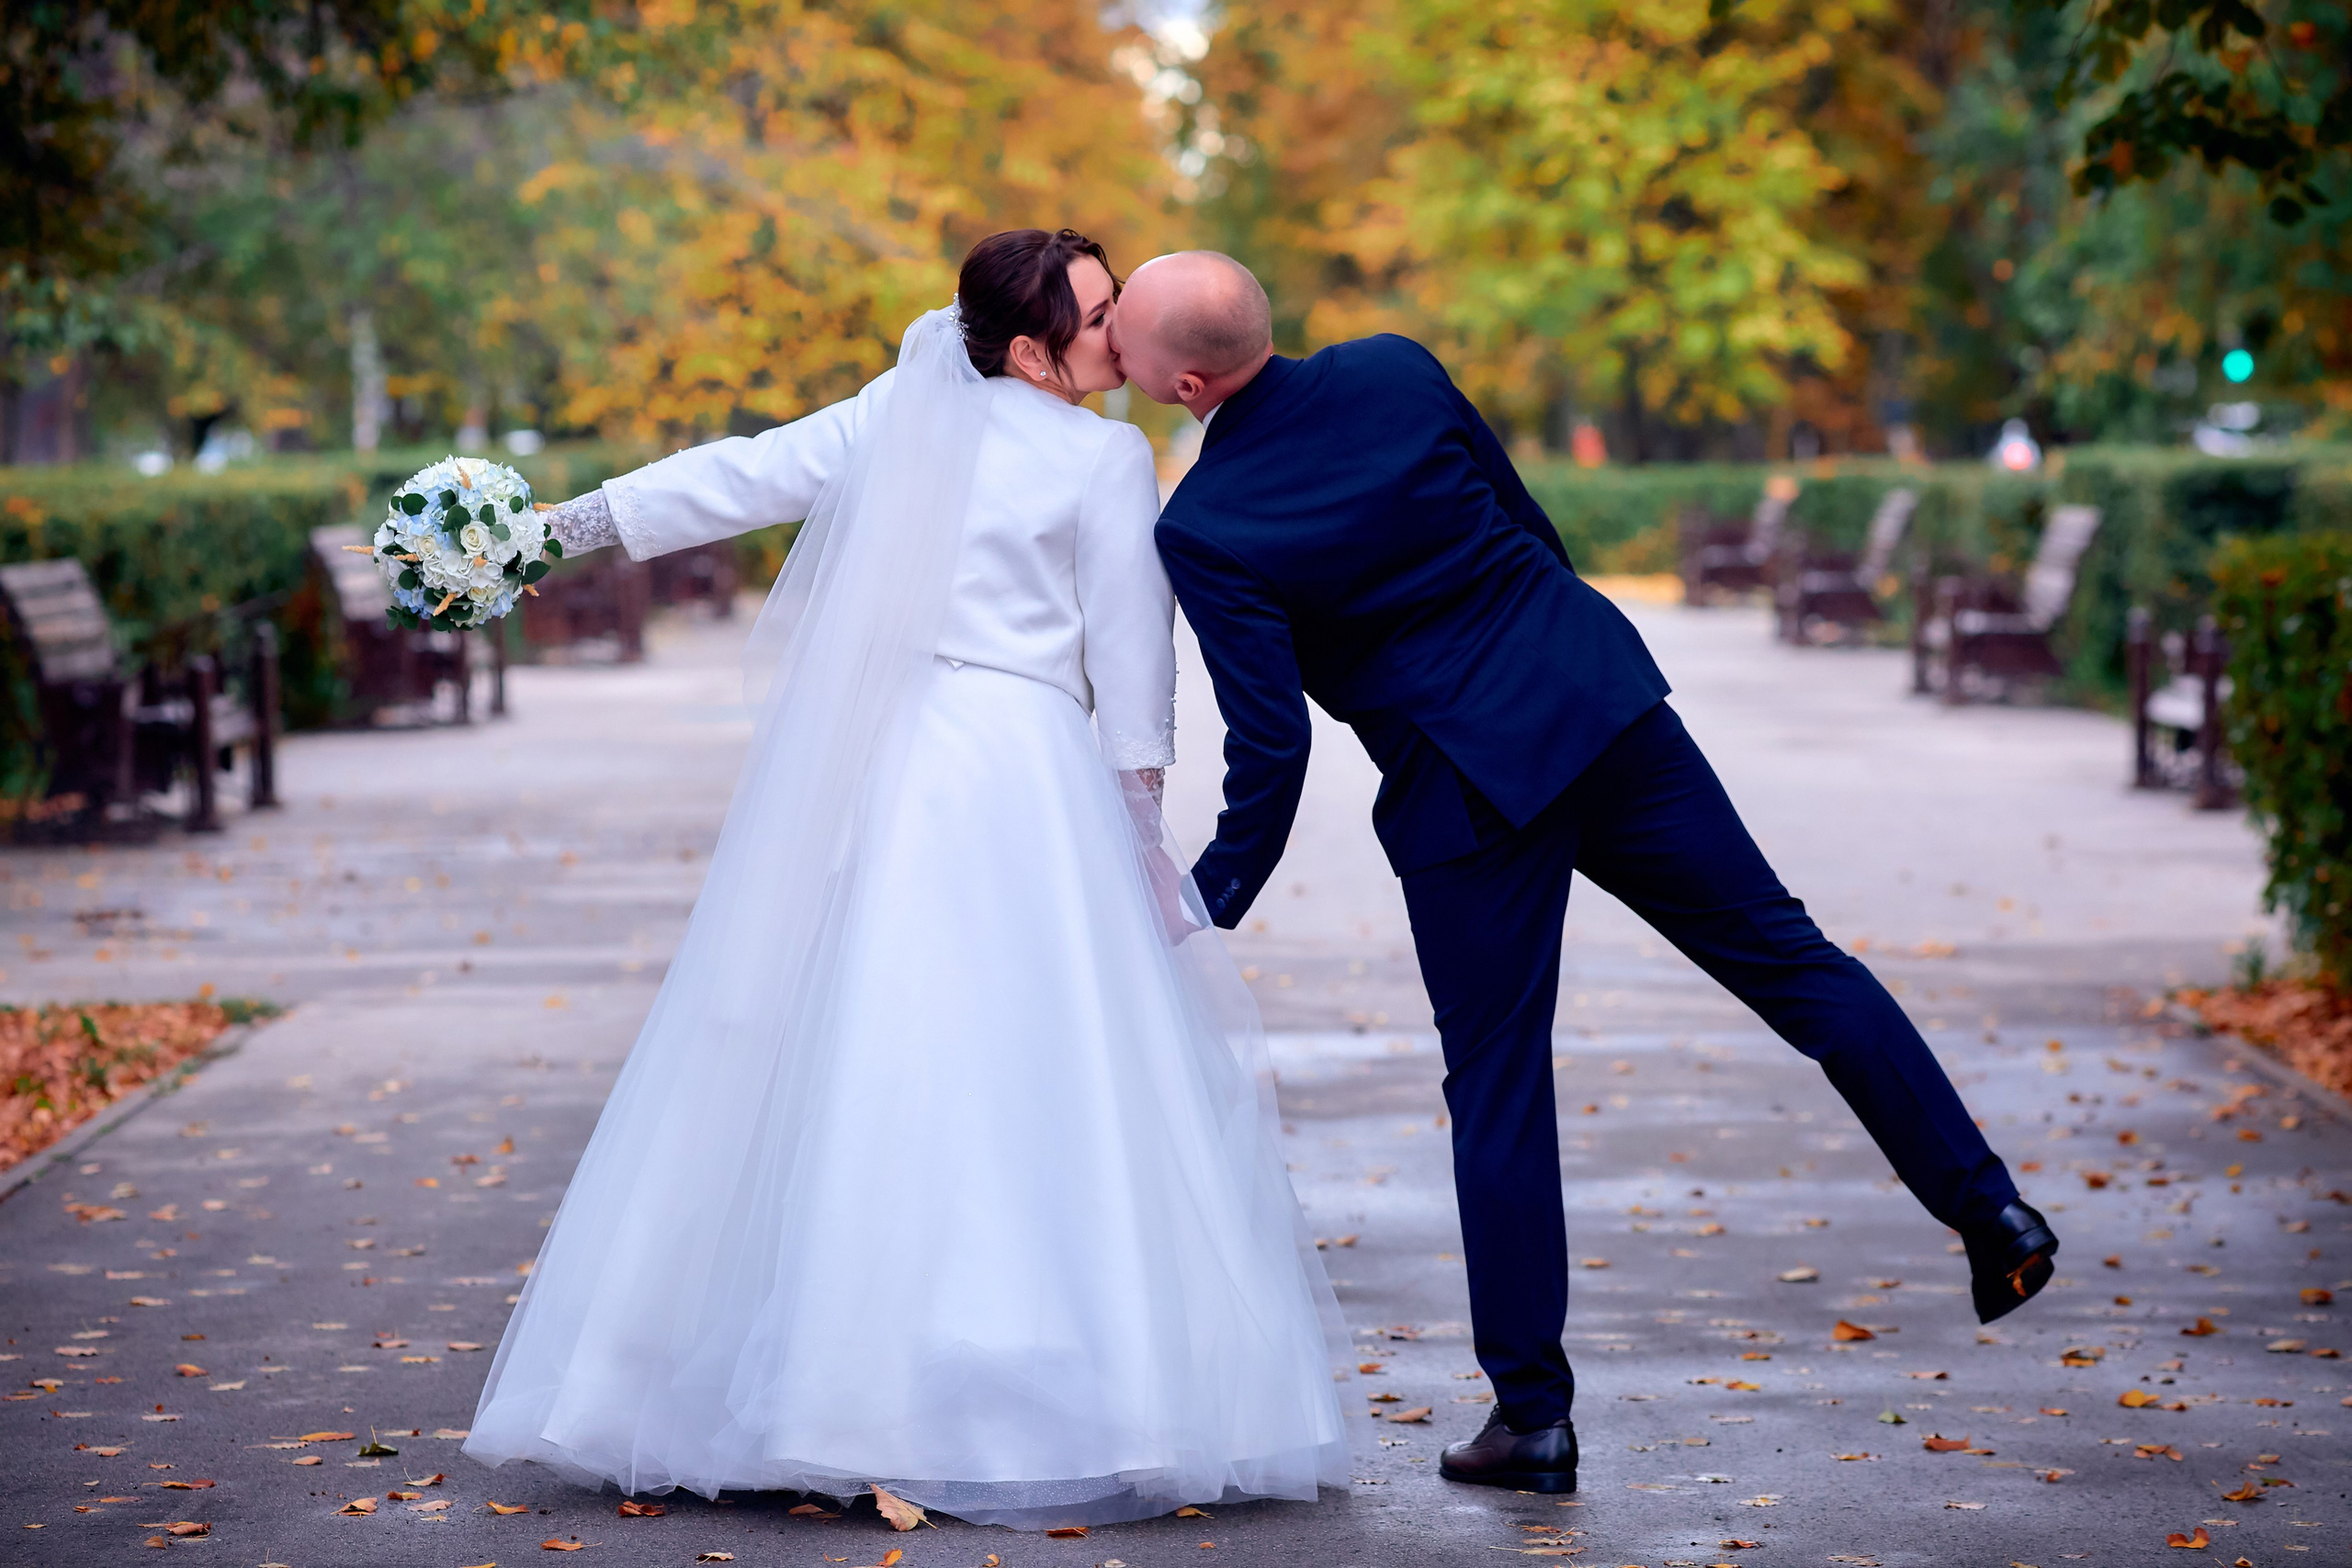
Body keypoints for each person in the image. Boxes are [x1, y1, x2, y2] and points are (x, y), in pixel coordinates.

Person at [1109, 250, 2060, 1496]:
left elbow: (1271, 743)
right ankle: (1993, 1214)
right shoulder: (1397, 369)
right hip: (1600, 705)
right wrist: (1551, 647)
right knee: (1793, 959)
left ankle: (1534, 1418)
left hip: (1465, 786)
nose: (1110, 341)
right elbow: (1524, 523)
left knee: (1500, 1089)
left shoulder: (1206, 526)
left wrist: (1205, 894)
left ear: (1184, 381)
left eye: (1119, 330)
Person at [464, 230, 1348, 1529]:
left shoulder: (899, 413)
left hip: (895, 773)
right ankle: (1055, 1379)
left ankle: (831, 1383)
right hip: (1023, 779)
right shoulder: (1107, 456)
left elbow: (738, 477)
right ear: (1037, 347)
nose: (1119, 340)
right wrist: (1143, 827)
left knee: (876, 1051)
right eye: (1098, 320)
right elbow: (1129, 652)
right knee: (1036, 1070)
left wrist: (549, 533)